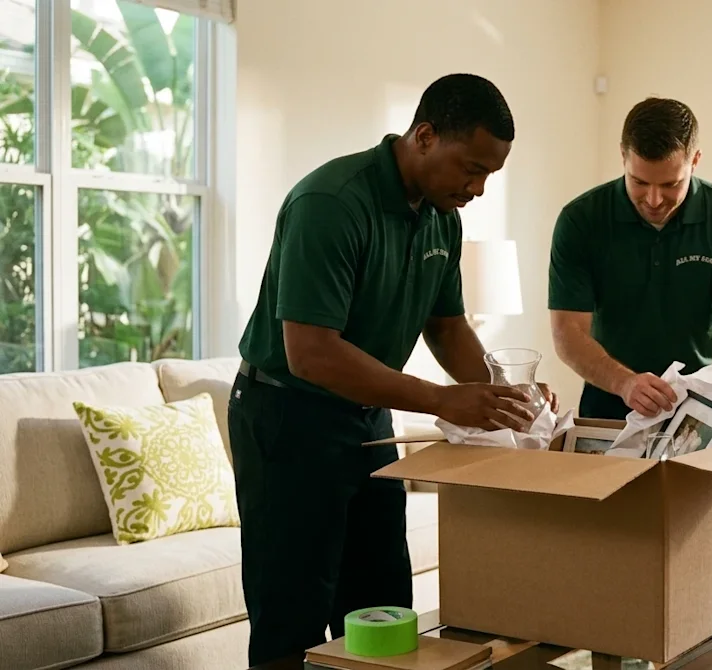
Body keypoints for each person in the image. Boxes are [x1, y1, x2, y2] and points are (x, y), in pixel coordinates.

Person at [228, 73, 557, 668]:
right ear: (425, 136)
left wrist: (506, 393)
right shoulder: (329, 204)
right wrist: (441, 399)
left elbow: (447, 327)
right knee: (293, 617)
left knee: (382, 609)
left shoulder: (442, 216)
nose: (478, 188)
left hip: (368, 422)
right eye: (471, 168)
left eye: (490, 175)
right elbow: (312, 352)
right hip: (287, 417)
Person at [548, 97, 712, 420]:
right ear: (623, 156)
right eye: (639, 182)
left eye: (670, 184)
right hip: (606, 407)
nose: (653, 199)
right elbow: (567, 331)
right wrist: (624, 383)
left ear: (695, 161)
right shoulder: (580, 220)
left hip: (697, 406)